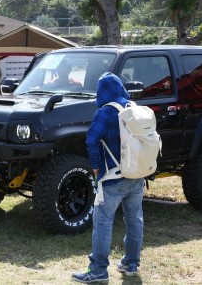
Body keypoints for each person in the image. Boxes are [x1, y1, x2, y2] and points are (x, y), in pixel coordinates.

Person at [72, 72, 144, 283]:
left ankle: (99, 271)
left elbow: (91, 140)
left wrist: (95, 168)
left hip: (112, 178)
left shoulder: (105, 112)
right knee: (134, 220)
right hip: (136, 174)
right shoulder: (133, 107)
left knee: (103, 223)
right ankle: (131, 264)